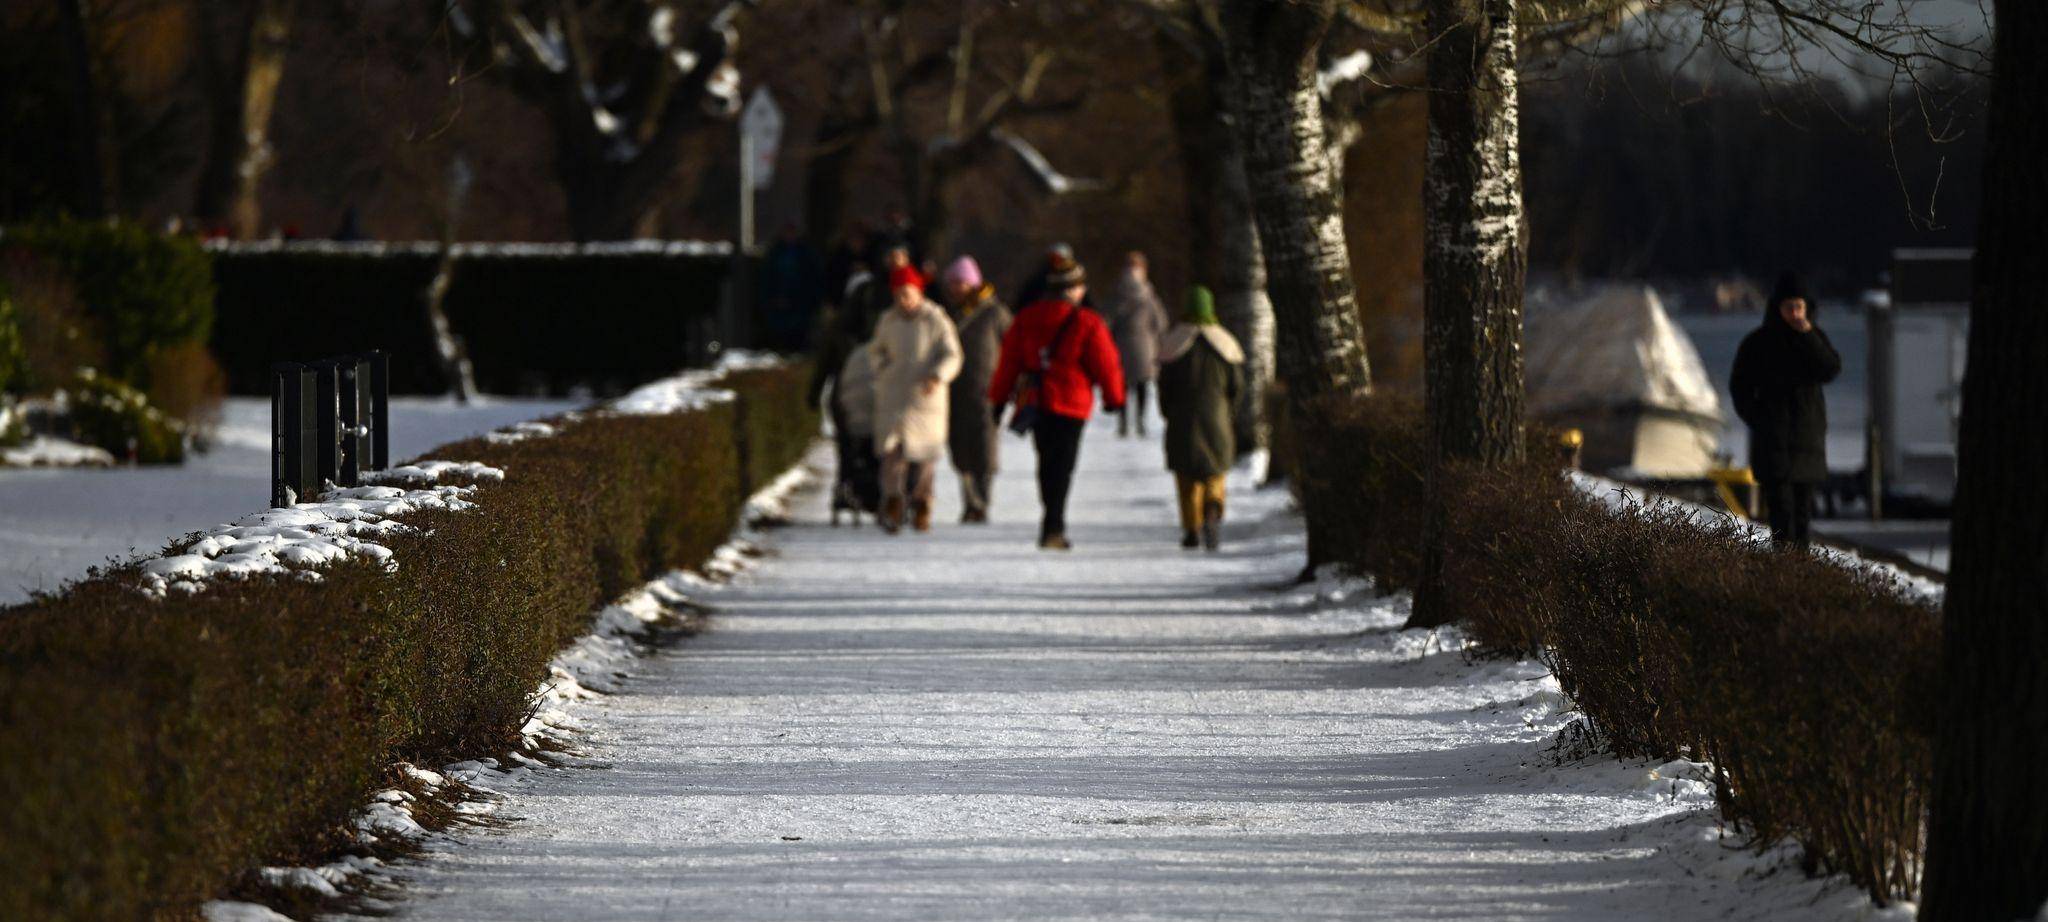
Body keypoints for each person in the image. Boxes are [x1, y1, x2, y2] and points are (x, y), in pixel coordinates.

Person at [988, 255, 1125, 550]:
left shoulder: (1026, 318)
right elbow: (1106, 363)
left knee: (1046, 462)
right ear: (1072, 289)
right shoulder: (1088, 321)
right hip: (1072, 403)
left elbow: (1008, 363)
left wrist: (999, 400)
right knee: (1064, 465)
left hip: (1037, 402)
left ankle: (1050, 517)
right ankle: (1054, 524)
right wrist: (1114, 398)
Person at [1730, 272, 1842, 548]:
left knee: (1803, 521)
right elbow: (1740, 386)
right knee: (1781, 520)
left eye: (1798, 307)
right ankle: (1783, 579)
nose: (1793, 313)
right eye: (1788, 307)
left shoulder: (1815, 338)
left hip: (1808, 443)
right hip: (1773, 444)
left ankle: (1800, 581)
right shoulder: (1758, 343)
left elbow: (1830, 369)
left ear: (1807, 308)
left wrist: (1808, 336)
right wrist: (1758, 418)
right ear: (1777, 308)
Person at [870, 265, 963, 534]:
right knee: (892, 454)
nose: (904, 301)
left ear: (919, 293)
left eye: (908, 294)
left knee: (925, 457)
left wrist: (938, 375)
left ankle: (922, 504)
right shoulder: (887, 321)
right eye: (899, 295)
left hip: (926, 400)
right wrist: (882, 369)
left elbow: (953, 354)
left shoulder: (936, 319)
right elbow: (875, 351)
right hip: (893, 396)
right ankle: (893, 501)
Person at [1156, 286, 1245, 551]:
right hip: (1217, 420)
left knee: (1186, 479)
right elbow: (1237, 388)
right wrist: (1229, 414)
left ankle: (1192, 527)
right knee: (1214, 474)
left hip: (1182, 422)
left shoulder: (1174, 344)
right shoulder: (1225, 345)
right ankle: (1214, 506)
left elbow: (1164, 389)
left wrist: (1168, 412)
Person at [941, 256, 1012, 523]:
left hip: (987, 391)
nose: (955, 288)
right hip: (952, 390)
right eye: (952, 283)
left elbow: (1012, 346)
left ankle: (981, 501)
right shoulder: (947, 313)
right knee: (960, 448)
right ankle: (970, 498)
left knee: (984, 448)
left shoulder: (995, 313)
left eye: (959, 283)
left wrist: (1013, 382)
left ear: (972, 283)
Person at [1105, 251, 1170, 438]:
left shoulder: (1117, 295)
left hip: (1124, 346)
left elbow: (1107, 322)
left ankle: (1126, 422)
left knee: (1127, 385)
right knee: (1138, 385)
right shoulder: (1149, 294)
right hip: (1143, 347)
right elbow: (1161, 322)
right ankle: (1136, 421)